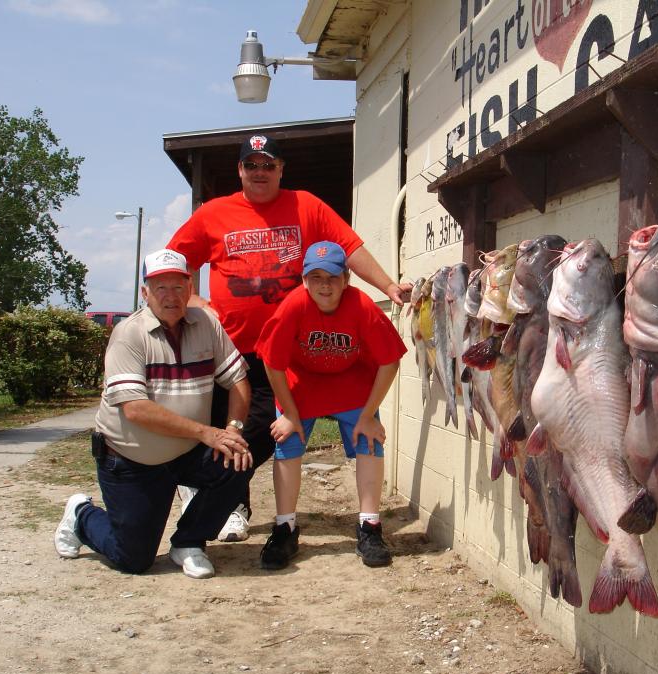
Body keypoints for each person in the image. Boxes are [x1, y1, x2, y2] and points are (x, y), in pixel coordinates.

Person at [167, 133, 411, 544]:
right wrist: (192, 297)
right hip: (232, 347)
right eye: (252, 165)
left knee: (264, 432)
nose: (260, 172)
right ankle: (233, 506)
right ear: (240, 170)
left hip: (290, 350)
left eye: (269, 165)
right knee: (229, 425)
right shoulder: (213, 213)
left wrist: (388, 285)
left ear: (281, 169)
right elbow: (177, 260)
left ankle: (230, 500)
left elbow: (348, 248)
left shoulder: (306, 205)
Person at [53, 248, 254, 579]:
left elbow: (238, 380)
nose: (170, 296)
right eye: (160, 288)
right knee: (133, 558)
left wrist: (232, 428)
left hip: (185, 454)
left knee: (239, 456)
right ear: (145, 293)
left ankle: (189, 542)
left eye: (178, 286)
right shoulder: (128, 334)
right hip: (132, 462)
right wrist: (207, 433)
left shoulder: (207, 324)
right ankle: (81, 515)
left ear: (190, 289)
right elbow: (136, 410)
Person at [255, 241, 408, 569]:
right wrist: (289, 413)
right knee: (286, 439)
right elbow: (272, 362)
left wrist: (368, 416)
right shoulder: (294, 305)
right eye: (316, 277)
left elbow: (390, 361)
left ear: (346, 279)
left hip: (350, 379)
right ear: (304, 280)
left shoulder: (361, 305)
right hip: (303, 381)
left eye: (333, 277)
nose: (325, 285)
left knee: (369, 438)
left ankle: (369, 525)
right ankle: (285, 528)